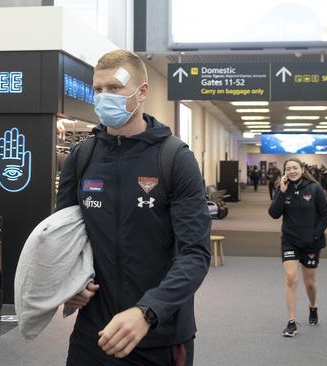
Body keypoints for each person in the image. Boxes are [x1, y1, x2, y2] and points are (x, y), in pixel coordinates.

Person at [56, 50, 211, 366]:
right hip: (93, 335)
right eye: (98, 90)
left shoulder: (174, 159)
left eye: (114, 88)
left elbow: (195, 254)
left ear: (142, 93)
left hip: (160, 336)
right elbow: (65, 239)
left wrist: (148, 311)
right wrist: (70, 285)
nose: (103, 97)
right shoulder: (81, 157)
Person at [268, 158, 327, 337]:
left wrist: (315, 235)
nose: (292, 171)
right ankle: (291, 322)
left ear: (302, 169)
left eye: (295, 168)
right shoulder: (283, 189)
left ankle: (313, 307)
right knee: (290, 277)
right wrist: (281, 192)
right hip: (290, 240)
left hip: (311, 242)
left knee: (309, 283)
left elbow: (325, 216)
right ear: (285, 172)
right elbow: (273, 214)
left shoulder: (315, 189)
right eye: (288, 169)